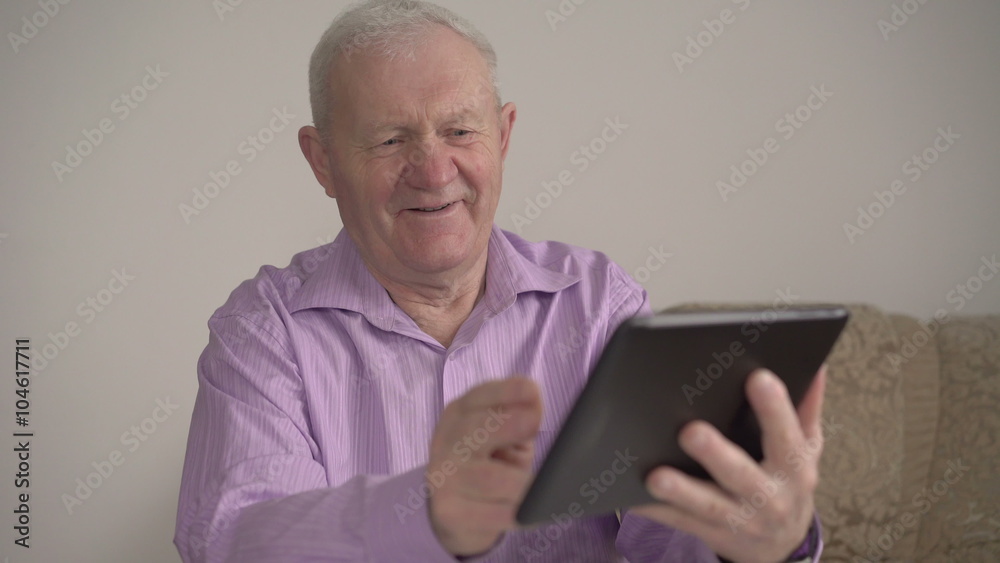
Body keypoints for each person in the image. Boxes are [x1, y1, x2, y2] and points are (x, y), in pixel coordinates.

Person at [174, 1, 826, 561]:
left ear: (504, 136)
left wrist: (755, 542)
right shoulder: (263, 331)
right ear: (323, 161)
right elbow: (234, 541)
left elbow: (672, 534)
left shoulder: (599, 305)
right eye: (390, 140)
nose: (434, 171)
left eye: (460, 130)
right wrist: (426, 514)